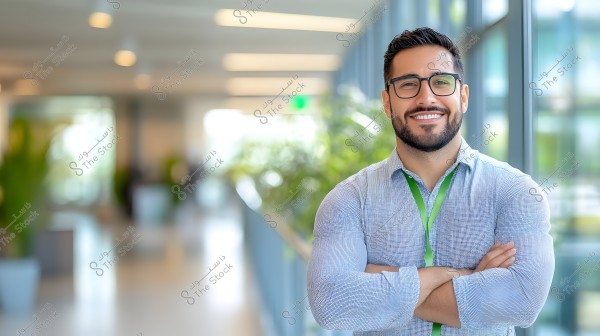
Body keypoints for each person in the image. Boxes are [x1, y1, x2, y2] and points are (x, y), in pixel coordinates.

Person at [307, 27, 554, 335]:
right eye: (408, 85)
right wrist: (462, 277)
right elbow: (332, 306)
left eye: (441, 82)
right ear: (387, 103)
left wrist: (377, 277)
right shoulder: (348, 200)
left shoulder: (515, 193)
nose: (426, 98)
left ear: (462, 96)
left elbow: (522, 302)